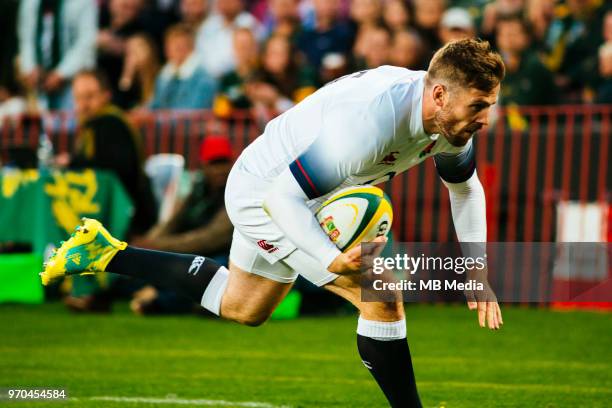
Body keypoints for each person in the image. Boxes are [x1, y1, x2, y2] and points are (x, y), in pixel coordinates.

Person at [42, 39, 505, 408]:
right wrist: (331, 259)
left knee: (244, 307)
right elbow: (285, 196)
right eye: (479, 106)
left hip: (311, 190)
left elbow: (464, 189)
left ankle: (106, 253)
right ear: (439, 93)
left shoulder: (448, 120)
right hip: (265, 191)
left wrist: (476, 273)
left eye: (489, 106)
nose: (486, 118)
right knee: (380, 292)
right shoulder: (369, 123)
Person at [58, 69, 156, 235]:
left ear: (106, 95)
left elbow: (114, 166)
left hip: (127, 215)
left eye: (89, 96)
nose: (83, 104)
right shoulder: (91, 126)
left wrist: (72, 162)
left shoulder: (111, 123)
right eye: (78, 98)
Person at [17, 0, 97, 110]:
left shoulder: (83, 3)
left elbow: (87, 42)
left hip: (73, 81)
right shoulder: (30, 3)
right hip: (39, 82)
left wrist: (61, 73)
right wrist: (30, 68)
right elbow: (26, 38)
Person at [149, 24, 217, 110]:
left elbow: (194, 111)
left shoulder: (204, 79)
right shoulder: (164, 76)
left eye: (179, 47)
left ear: (191, 48)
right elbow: (156, 104)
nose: (173, 51)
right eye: (170, 46)